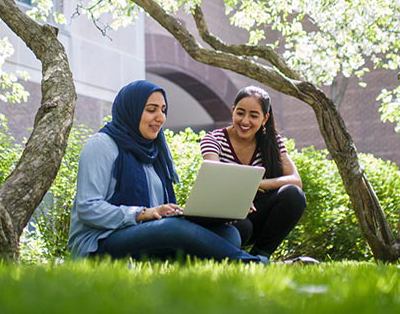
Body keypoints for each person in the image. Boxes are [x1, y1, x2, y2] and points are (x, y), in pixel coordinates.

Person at [68, 80, 261, 262]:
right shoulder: (102, 145)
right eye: (151, 110)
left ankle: (185, 274)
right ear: (131, 110)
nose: (160, 117)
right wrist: (141, 213)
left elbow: (158, 212)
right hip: (99, 241)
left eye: (163, 110)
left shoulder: (154, 151)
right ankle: (249, 263)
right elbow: (88, 208)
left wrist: (215, 213)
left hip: (145, 232)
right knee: (172, 228)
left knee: (228, 234)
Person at [200, 85, 307, 262]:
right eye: (240, 113)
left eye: (254, 115)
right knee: (243, 227)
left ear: (265, 119)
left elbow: (295, 180)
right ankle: (234, 257)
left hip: (256, 210)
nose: (245, 121)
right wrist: (238, 195)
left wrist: (256, 183)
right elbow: (214, 176)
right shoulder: (214, 139)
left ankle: (260, 256)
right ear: (232, 111)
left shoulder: (272, 142)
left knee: (293, 194)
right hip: (225, 212)